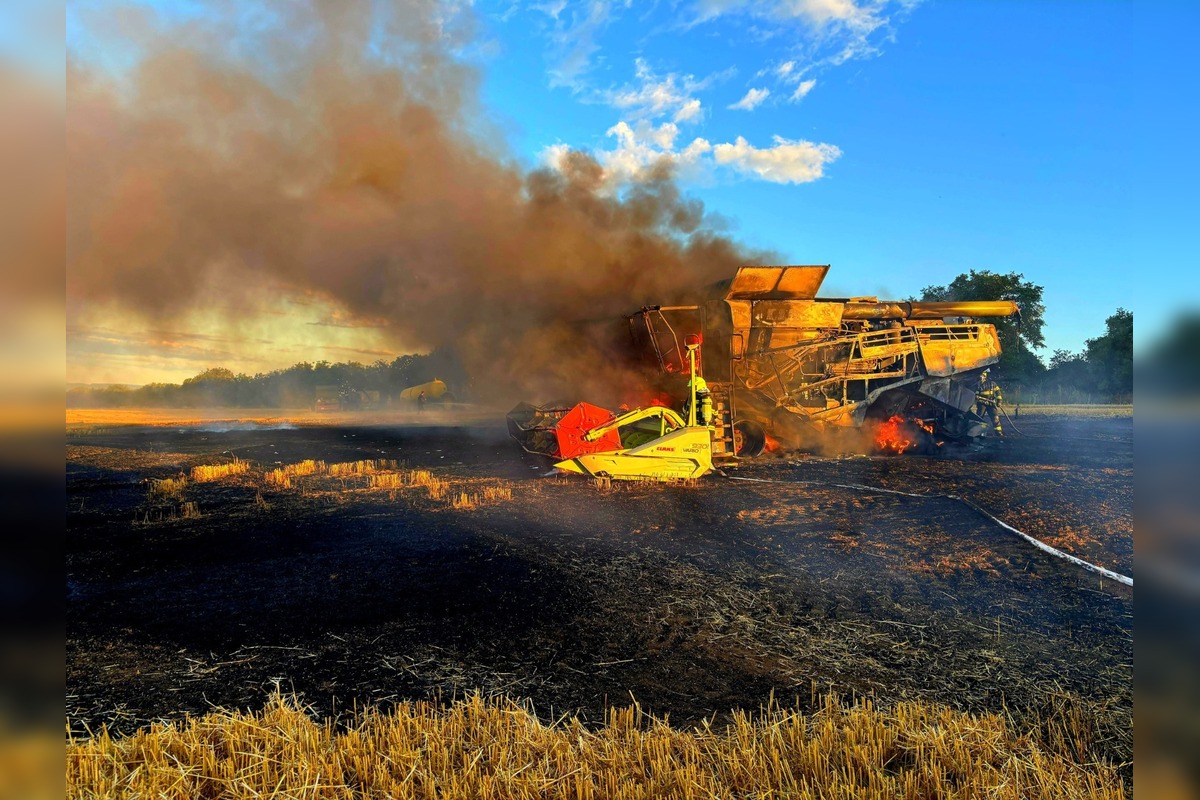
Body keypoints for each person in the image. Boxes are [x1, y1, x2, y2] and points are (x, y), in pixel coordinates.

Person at [975, 369, 1003, 436]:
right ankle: (978, 433)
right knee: (979, 418)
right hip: (982, 404)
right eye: (980, 375)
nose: (980, 377)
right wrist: (977, 397)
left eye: (982, 375)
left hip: (991, 404)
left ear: (985, 376)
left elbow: (998, 392)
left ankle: (998, 432)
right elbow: (975, 394)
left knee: (995, 417)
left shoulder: (992, 384)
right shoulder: (977, 384)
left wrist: (999, 401)